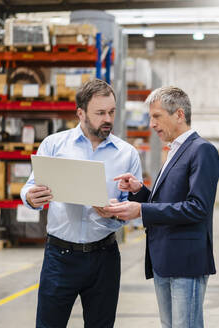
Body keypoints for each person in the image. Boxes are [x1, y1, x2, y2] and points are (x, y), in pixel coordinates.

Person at [20, 78, 142, 328]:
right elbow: (30, 187)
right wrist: (30, 197)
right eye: (100, 113)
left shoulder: (127, 153)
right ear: (80, 113)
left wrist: (116, 213)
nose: (108, 118)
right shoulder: (54, 145)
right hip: (60, 257)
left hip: (104, 257)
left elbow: (135, 210)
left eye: (111, 112)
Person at [102, 86, 219, 328]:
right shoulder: (175, 151)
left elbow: (197, 207)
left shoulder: (201, 151)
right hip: (165, 260)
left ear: (179, 114)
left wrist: (142, 211)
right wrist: (140, 191)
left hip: (186, 263)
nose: (151, 124)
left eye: (156, 116)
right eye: (150, 117)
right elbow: (168, 201)